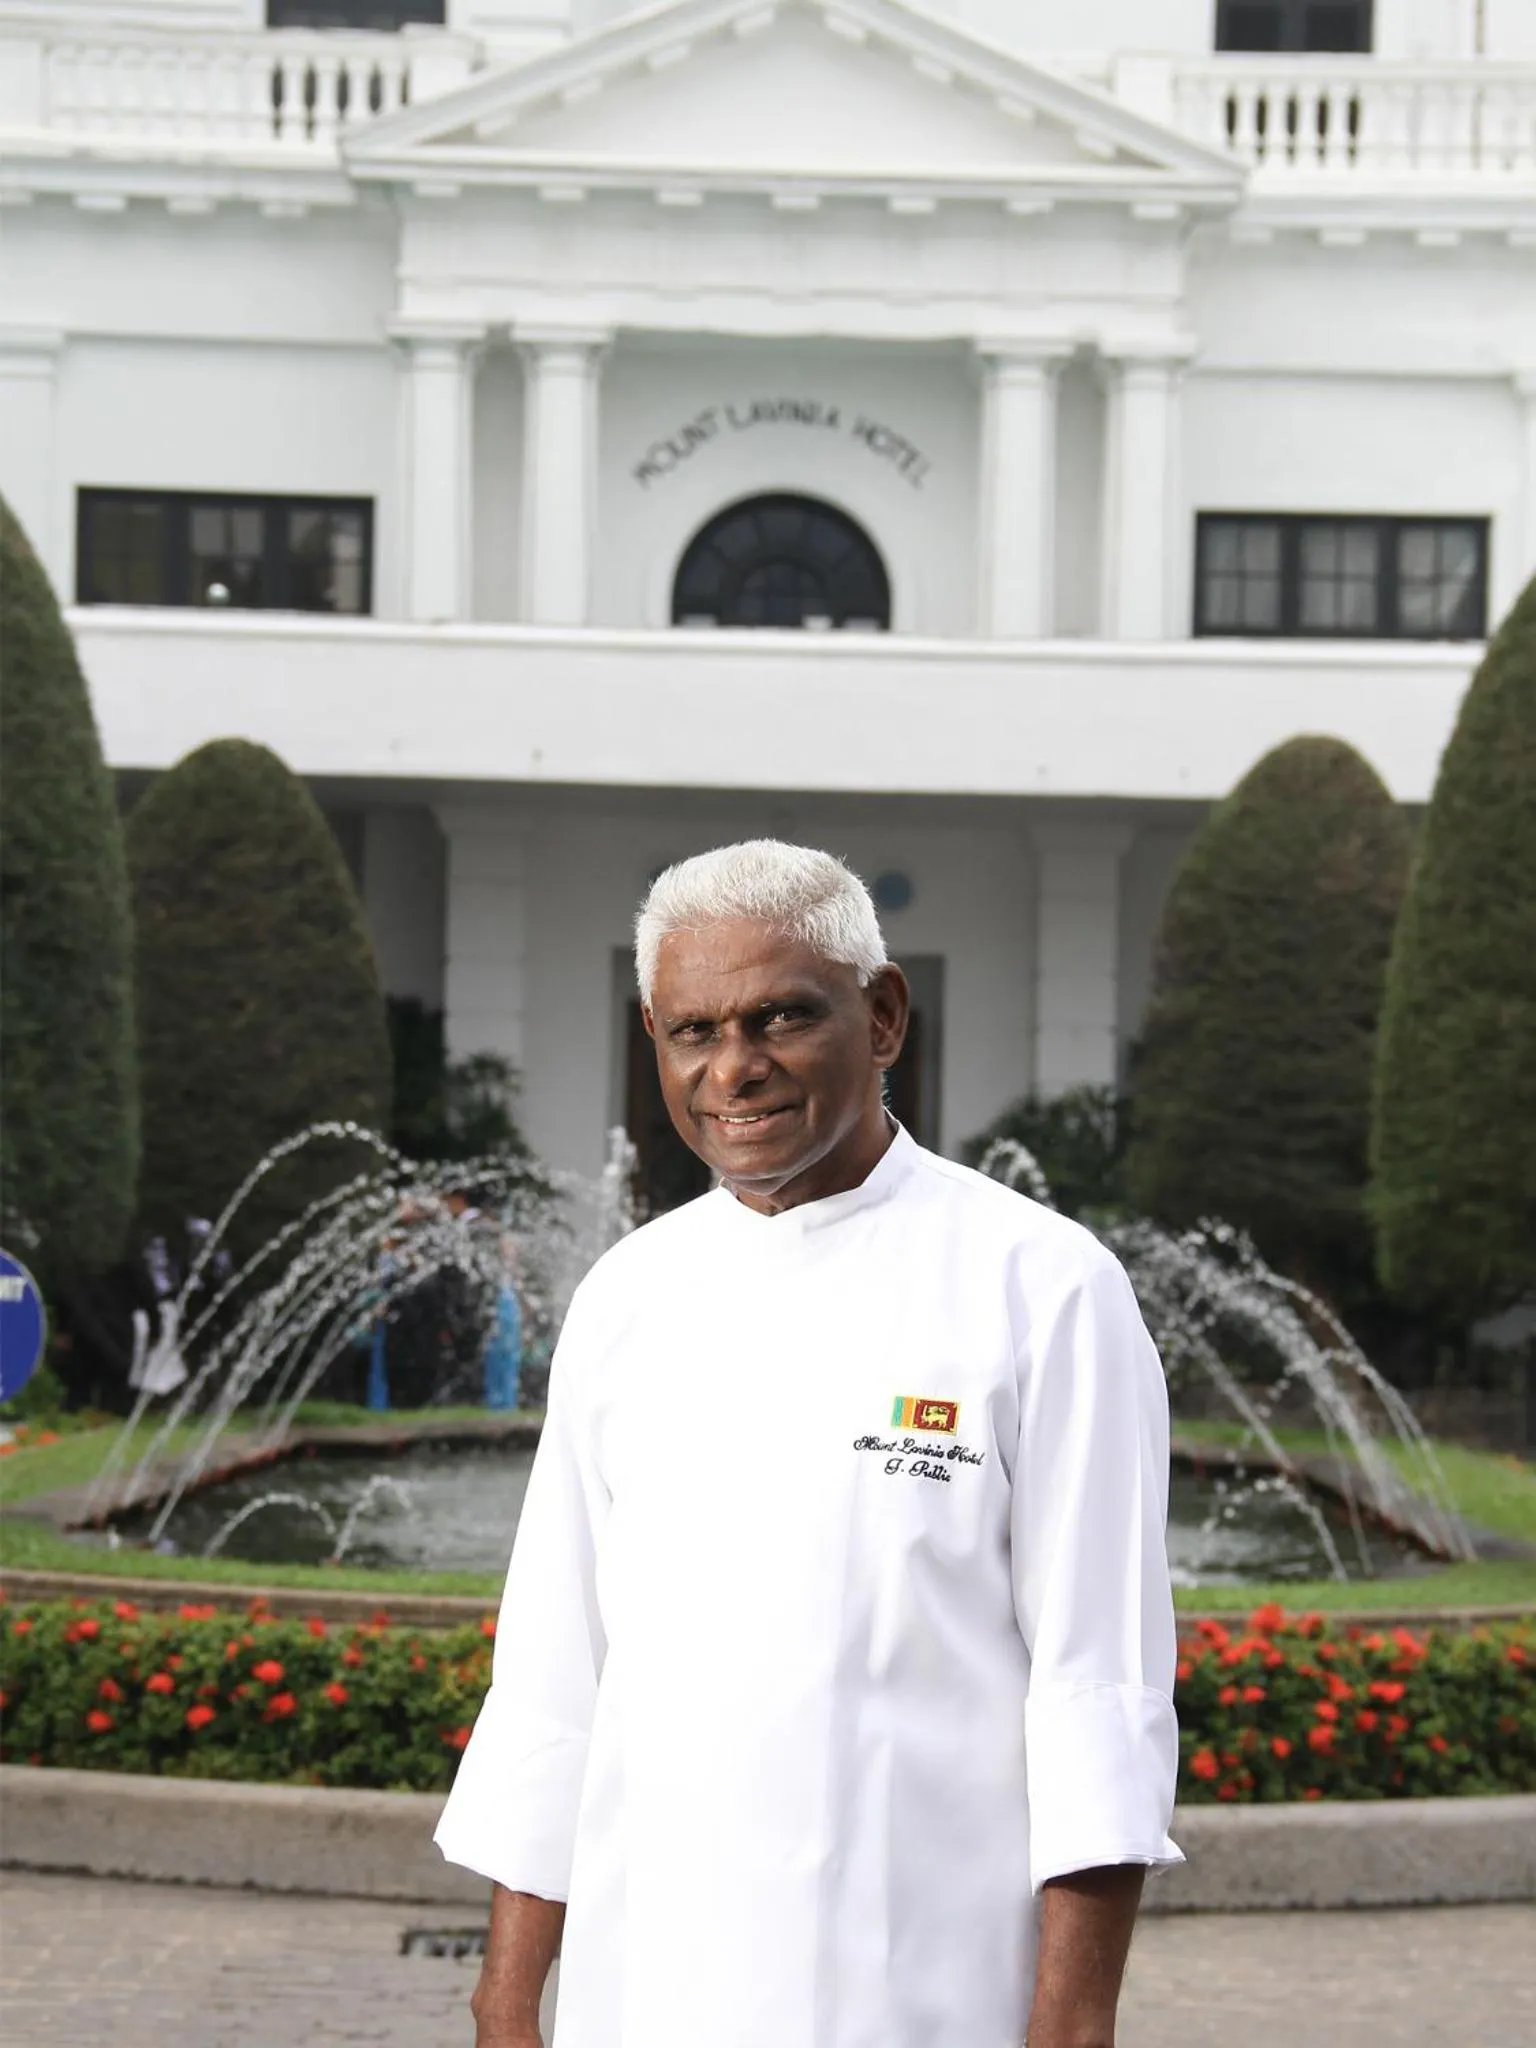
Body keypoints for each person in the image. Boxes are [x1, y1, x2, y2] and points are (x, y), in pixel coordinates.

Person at [435, 840, 1182, 2048]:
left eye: (782, 1015)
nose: (735, 1068)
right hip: (649, 1983)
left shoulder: (1041, 1286)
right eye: (693, 1030)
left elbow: (1097, 1686)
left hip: (919, 1986)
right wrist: (507, 1995)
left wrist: (1073, 2020)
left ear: (882, 1014)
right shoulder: (629, 1296)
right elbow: (553, 1676)